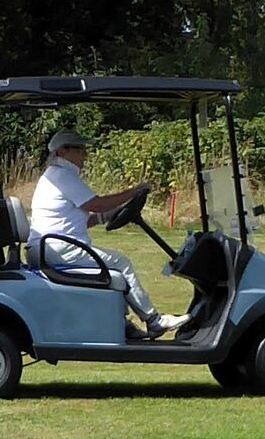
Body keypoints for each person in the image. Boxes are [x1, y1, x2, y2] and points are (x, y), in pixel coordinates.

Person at [28, 129, 173, 337]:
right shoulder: (62, 176)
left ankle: (123, 324)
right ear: (62, 151)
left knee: (112, 266)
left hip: (51, 247)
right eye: (80, 149)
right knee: (120, 262)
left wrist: (110, 215)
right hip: (58, 248)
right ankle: (154, 320)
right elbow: (97, 204)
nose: (85, 155)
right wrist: (133, 191)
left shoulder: (56, 176)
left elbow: (84, 218)